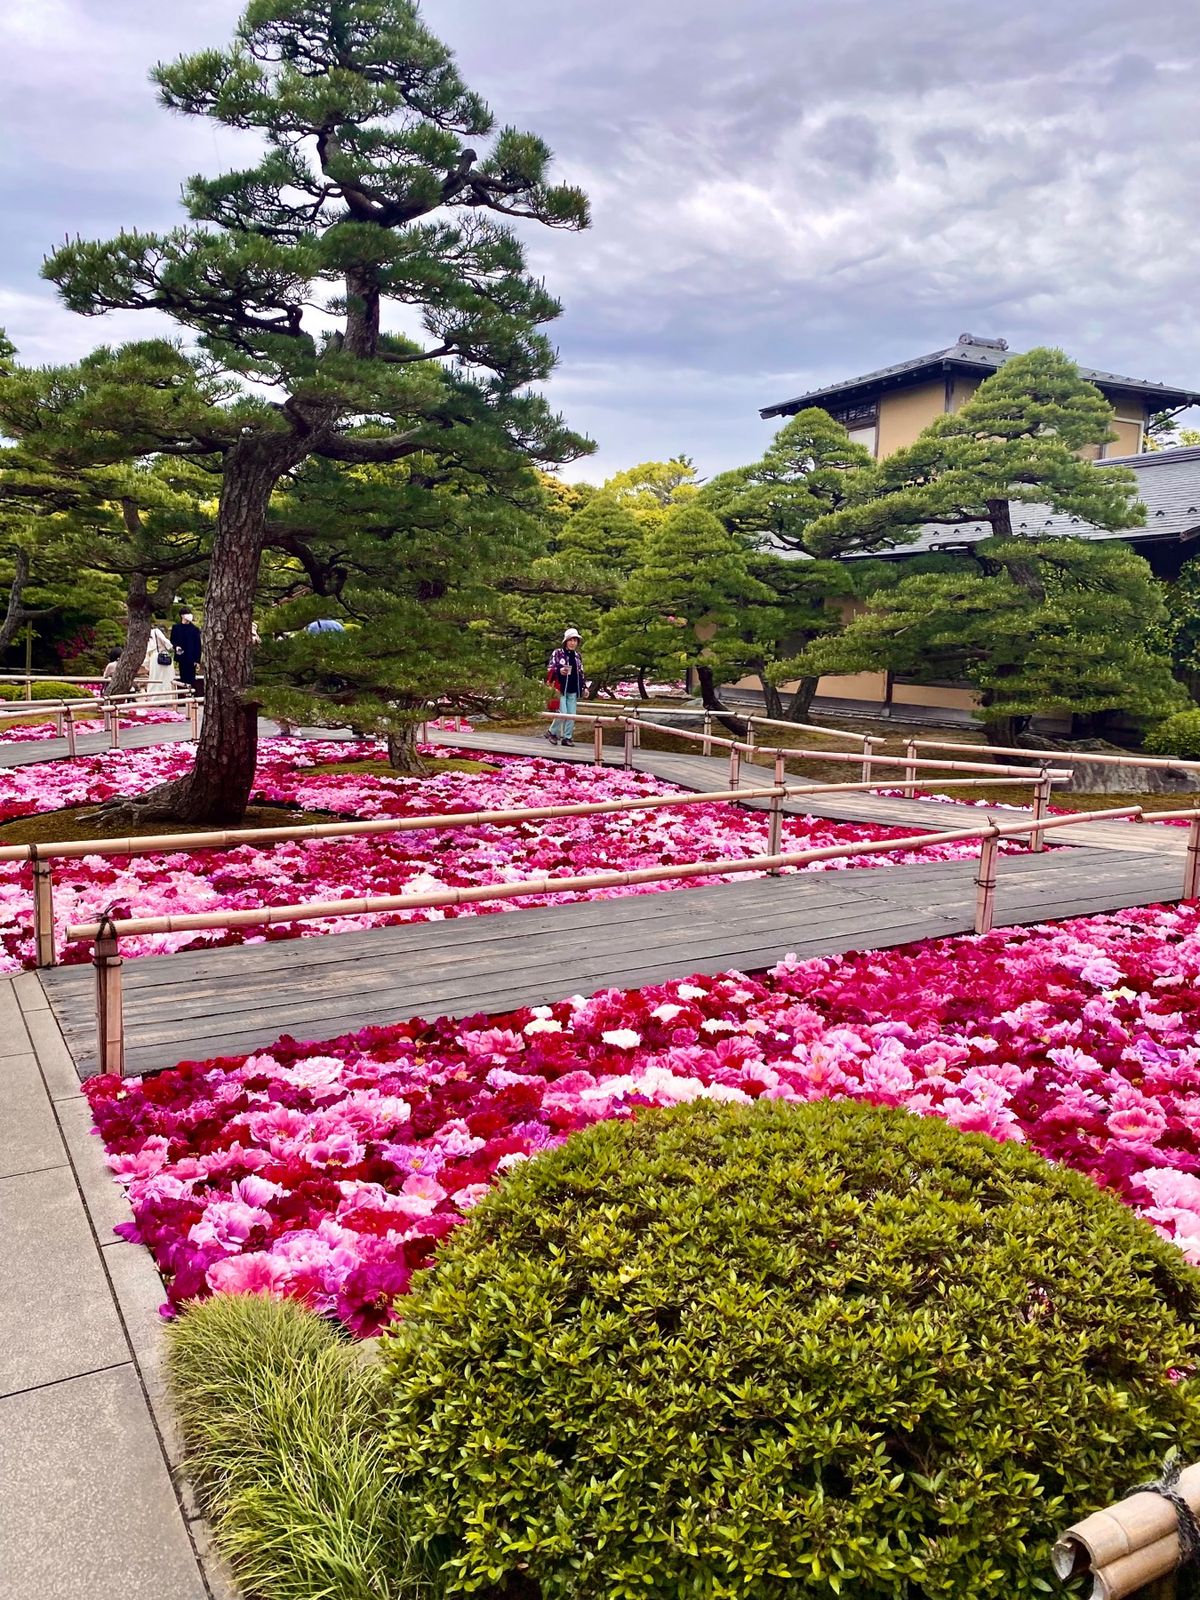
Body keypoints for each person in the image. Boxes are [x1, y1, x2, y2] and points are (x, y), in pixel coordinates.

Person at [546, 627, 584, 746]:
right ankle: (551, 732)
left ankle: (567, 737)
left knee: (571, 715)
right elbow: (550, 668)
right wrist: (559, 670)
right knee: (562, 712)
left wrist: (584, 687)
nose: (573, 643)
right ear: (565, 641)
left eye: (575, 640)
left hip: (573, 688)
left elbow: (581, 672)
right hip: (560, 688)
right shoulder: (557, 653)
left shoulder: (577, 656)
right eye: (570, 640)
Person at [143, 621, 175, 699]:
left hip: (153, 658)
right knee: (166, 678)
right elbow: (165, 641)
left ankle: (153, 698)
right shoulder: (155, 631)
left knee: (154, 678)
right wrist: (171, 647)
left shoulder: (144, 636)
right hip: (162, 655)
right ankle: (167, 697)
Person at [171, 611, 203, 688]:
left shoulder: (195, 629)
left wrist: (197, 660)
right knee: (183, 676)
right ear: (182, 615)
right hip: (181, 655)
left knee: (191, 677)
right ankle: (184, 693)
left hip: (191, 657)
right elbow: (172, 640)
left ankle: (191, 693)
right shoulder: (176, 628)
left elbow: (198, 645)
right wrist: (176, 647)